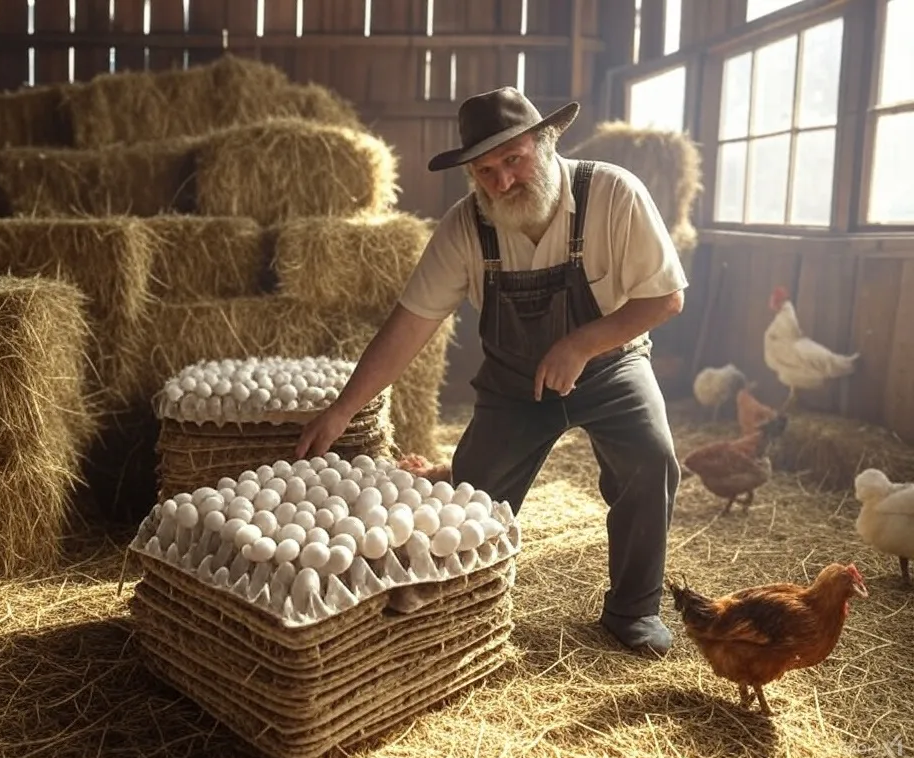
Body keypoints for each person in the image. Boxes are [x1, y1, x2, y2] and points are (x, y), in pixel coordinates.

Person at [295, 86, 688, 656]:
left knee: (651, 460)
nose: (502, 182)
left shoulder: (613, 193)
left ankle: (633, 609)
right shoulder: (465, 227)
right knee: (468, 503)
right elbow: (409, 324)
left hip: (609, 365)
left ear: (547, 142)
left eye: (514, 160)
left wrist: (581, 343)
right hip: (514, 384)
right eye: (485, 171)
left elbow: (665, 298)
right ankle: (464, 609)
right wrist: (342, 410)